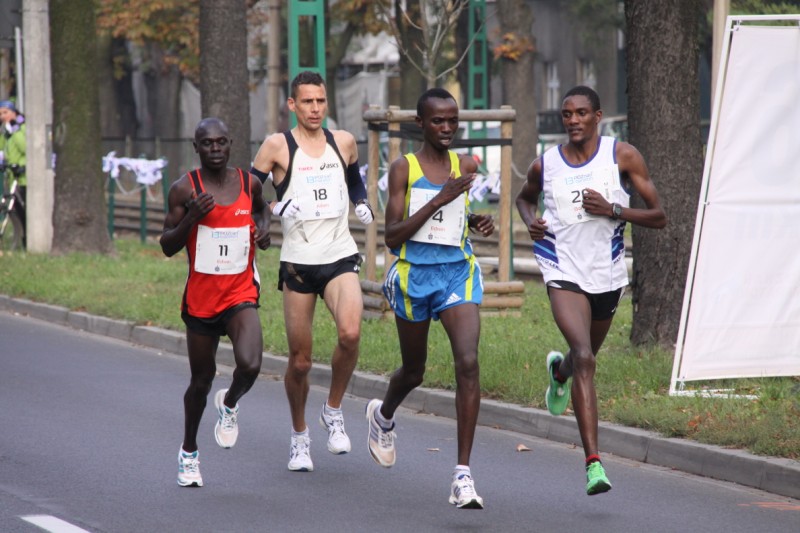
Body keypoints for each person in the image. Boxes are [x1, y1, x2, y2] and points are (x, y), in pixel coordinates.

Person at [515, 85, 666, 496]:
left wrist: (613, 209)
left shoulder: (623, 156)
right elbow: (524, 200)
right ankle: (594, 464)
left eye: (581, 113)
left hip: (606, 273)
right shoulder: (545, 164)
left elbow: (659, 216)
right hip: (561, 266)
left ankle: (558, 373)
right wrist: (531, 222)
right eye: (567, 114)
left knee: (584, 357)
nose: (573, 120)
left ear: (597, 116)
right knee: (584, 355)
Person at [365, 88, 494, 509]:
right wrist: (441, 199)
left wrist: (475, 220)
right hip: (413, 276)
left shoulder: (466, 165)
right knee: (414, 371)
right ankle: (383, 415)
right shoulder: (404, 168)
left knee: (468, 362)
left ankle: (462, 476)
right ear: (420, 123)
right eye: (438, 120)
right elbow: (392, 236)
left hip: (457, 271)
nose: (447, 128)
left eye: (453, 120)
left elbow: (454, 219)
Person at [250, 71, 374, 472]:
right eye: (307, 102)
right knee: (300, 361)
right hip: (300, 262)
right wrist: (274, 208)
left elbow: (353, 179)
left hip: (339, 254)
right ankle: (299, 436)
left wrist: (361, 203)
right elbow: (247, 193)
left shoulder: (344, 141)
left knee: (350, 334)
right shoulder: (277, 146)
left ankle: (333, 410)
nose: (315, 108)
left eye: (320, 101)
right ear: (292, 105)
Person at [160, 117, 272, 487]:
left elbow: (262, 209)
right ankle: (189, 451)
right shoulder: (184, 189)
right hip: (201, 300)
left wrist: (264, 230)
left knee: (251, 364)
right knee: (201, 380)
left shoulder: (248, 182)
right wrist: (191, 217)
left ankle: (230, 403)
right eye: (207, 143)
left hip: (240, 293)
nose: (215, 149)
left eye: (221, 142)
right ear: (196, 147)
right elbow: (167, 245)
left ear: (230, 144)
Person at [0, 100, 27, 237]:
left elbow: (24, 147)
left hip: (23, 177)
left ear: (13, 113)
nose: (3, 116)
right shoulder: (6, 131)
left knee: (26, 210)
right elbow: (2, 148)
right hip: (12, 177)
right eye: (1, 114)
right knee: (17, 211)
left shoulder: (22, 128)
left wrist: (15, 131)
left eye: (5, 112)